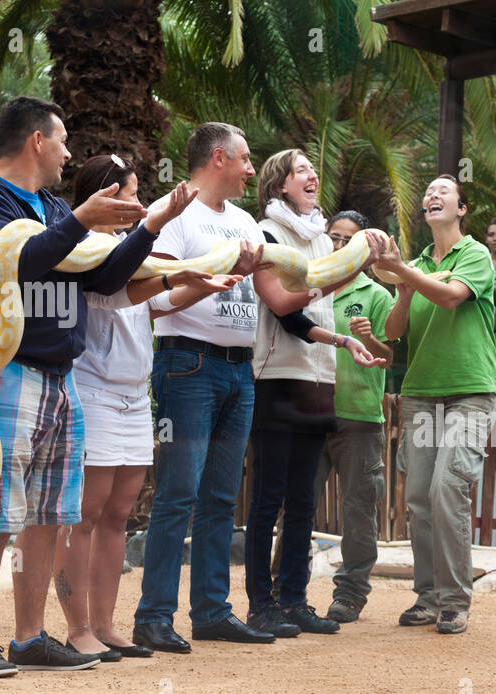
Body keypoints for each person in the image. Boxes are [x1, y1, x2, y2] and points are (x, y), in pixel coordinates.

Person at [0, 96, 155, 677]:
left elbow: (107, 278)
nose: (69, 152)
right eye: (62, 140)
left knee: (46, 516)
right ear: (37, 141)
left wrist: (150, 225)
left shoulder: (56, 207)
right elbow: (22, 264)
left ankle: (31, 637)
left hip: (61, 379)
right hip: (4, 372)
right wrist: (83, 220)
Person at [133, 123, 317, 652]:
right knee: (177, 494)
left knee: (218, 498)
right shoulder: (172, 213)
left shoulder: (243, 223)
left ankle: (211, 611)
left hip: (241, 369)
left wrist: (338, 273)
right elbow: (156, 301)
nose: (252, 169)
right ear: (218, 158)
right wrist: (208, 282)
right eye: (245, 158)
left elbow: (281, 298)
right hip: (186, 365)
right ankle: (153, 617)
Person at [52, 154, 240, 660]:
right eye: (131, 193)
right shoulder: (87, 250)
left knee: (118, 515)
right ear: (106, 197)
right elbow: (119, 292)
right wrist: (184, 272)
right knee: (85, 514)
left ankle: (108, 624)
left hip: (137, 395)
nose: (138, 203)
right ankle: (78, 628)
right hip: (92, 390)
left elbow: (155, 301)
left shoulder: (137, 250)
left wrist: (201, 283)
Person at [245, 149, 381, 637]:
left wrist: (345, 341)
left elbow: (311, 319)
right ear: (280, 184)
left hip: (319, 381)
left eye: (313, 170)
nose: (312, 175)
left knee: (304, 501)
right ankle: (260, 604)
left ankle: (294, 601)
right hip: (277, 380)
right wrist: (341, 272)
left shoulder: (325, 240)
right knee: (269, 499)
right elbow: (284, 306)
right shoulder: (265, 234)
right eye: (301, 169)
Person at [376, 175, 496, 635]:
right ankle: (427, 598)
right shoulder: (415, 266)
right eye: (427, 192)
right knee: (419, 497)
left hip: (471, 389)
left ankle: (454, 600)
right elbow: (393, 330)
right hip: (423, 393)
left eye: (443, 191)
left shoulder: (475, 254)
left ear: (461, 208)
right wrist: (405, 286)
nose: (432, 195)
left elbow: (451, 298)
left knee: (448, 488)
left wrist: (405, 273)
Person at [313, 210, 395, 623]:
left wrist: (369, 339)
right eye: (335, 237)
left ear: (366, 251)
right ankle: (282, 588)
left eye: (350, 240)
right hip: (308, 411)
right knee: (296, 502)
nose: (340, 246)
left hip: (359, 416)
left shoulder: (379, 296)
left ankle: (350, 593)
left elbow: (392, 357)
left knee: (358, 508)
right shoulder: (309, 286)